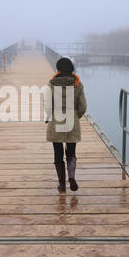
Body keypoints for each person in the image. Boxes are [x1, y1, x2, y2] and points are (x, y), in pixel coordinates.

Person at [45, 57, 87, 192]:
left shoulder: (51, 85)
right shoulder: (78, 84)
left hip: (56, 122)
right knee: (71, 152)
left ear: (57, 69)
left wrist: (49, 116)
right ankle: (72, 176)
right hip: (72, 121)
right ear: (71, 69)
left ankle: (62, 184)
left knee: (58, 154)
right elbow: (83, 106)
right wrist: (76, 116)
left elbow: (47, 105)